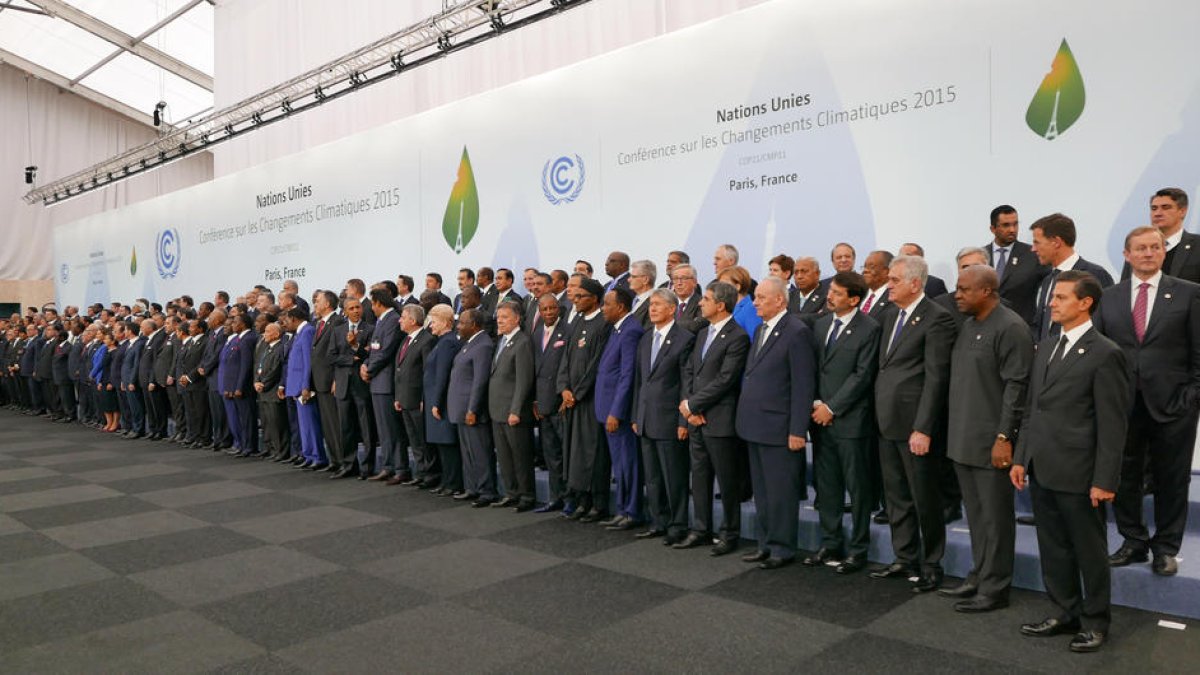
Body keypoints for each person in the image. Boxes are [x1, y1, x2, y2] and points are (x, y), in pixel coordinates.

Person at [1011, 270, 1129, 653]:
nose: (1052, 303)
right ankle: (1063, 612)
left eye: (1061, 297)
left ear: (1085, 303)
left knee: (1089, 552)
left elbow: (1113, 426)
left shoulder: (1106, 353)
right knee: (1053, 546)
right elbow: (1033, 409)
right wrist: (1020, 457)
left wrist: (1105, 479)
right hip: (1043, 467)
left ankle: (1095, 622)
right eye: (1053, 297)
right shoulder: (1045, 346)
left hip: (1081, 474)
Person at [1094, 226, 1200, 576]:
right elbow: (1100, 353)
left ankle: (1166, 547)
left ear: (1163, 253)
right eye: (1140, 248)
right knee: (1124, 475)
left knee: (1172, 479)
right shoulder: (1109, 296)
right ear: (1127, 255)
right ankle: (1133, 542)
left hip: (1174, 405)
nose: (1148, 253)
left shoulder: (1188, 294)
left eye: (1155, 247)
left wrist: (1190, 397)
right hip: (1123, 404)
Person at [941, 265, 1033, 612]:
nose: (957, 294)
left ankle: (995, 588)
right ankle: (979, 574)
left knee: (995, 518)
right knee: (977, 516)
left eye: (964, 289)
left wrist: (1004, 437)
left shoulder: (1011, 328)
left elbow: (1016, 389)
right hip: (963, 438)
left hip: (991, 441)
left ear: (987, 291)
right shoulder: (969, 325)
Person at [873, 255, 956, 593]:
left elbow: (936, 378)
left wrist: (923, 427)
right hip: (887, 421)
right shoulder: (889, 313)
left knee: (925, 498)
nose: (887, 285)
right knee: (896, 496)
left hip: (915, 426)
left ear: (914, 283)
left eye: (893, 280)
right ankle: (904, 557)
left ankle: (932, 563)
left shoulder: (938, 318)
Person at [736, 276, 816, 569]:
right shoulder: (760, 330)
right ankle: (765, 543)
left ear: (780, 300)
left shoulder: (796, 332)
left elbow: (803, 385)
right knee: (763, 492)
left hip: (780, 429)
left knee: (780, 492)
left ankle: (782, 548)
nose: (754, 302)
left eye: (760, 298)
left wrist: (798, 430)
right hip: (755, 425)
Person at [808, 271, 880, 574]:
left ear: (853, 299)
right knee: (827, 487)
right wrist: (816, 405)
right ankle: (831, 541)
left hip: (851, 421)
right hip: (819, 419)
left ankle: (859, 548)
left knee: (858, 488)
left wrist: (832, 407)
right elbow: (814, 368)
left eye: (837, 293)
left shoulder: (869, 328)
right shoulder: (821, 323)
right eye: (831, 291)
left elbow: (862, 375)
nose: (830, 296)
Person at [680, 281, 750, 554]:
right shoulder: (702, 333)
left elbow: (726, 379)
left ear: (720, 305)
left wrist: (694, 405)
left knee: (727, 480)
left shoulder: (738, 336)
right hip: (696, 416)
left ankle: (729, 533)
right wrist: (689, 406)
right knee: (699, 477)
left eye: (706, 299)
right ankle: (701, 529)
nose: (700, 302)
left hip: (719, 419)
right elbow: (690, 371)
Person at [633, 288, 695, 544]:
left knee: (674, 476)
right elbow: (640, 381)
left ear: (672, 309)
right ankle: (658, 521)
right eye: (651, 305)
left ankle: (678, 525)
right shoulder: (646, 337)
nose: (653, 308)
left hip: (670, 419)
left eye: (658, 304)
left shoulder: (685, 338)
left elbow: (686, 384)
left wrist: (683, 421)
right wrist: (636, 415)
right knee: (653, 476)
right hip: (646, 418)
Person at [557, 278, 612, 521]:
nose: (574, 300)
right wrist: (564, 389)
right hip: (571, 400)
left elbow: (595, 366)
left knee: (592, 453)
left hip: (589, 402)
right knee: (574, 454)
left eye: (580, 297)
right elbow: (565, 361)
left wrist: (577, 394)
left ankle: (597, 503)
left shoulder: (603, 324)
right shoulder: (577, 321)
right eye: (574, 296)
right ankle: (580, 499)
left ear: (594, 298)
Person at [594, 286, 645, 530]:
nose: (603, 308)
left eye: (607, 304)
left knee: (628, 463)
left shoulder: (631, 330)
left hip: (618, 413)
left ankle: (632, 511)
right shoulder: (617, 329)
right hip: (606, 408)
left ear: (621, 307)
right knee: (619, 463)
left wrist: (616, 411)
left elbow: (627, 375)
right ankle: (623, 509)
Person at [1029, 213, 1115, 341]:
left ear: (1056, 242)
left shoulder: (1095, 275)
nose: (1033, 249)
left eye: (1037, 243)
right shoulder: (1048, 280)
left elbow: (1107, 324)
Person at [488, 302, 537, 511]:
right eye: (498, 317)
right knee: (505, 457)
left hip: (513, 411)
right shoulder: (502, 340)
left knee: (520, 456)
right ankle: (511, 492)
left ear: (517, 319)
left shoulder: (522, 342)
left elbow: (524, 380)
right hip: (497, 409)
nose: (500, 320)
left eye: (505, 317)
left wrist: (516, 410)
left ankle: (526, 495)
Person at [446, 308, 496, 507]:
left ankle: (486, 491)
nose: (458, 326)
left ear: (474, 325)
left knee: (480, 451)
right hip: (460, 408)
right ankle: (472, 487)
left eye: (462, 322)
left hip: (472, 410)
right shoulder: (469, 343)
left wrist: (472, 409)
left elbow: (480, 381)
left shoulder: (483, 345)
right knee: (467, 452)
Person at [361, 288, 410, 482]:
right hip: (377, 381)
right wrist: (365, 365)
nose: (371, 308)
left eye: (372, 304)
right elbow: (374, 348)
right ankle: (388, 466)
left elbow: (386, 350)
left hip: (386, 381)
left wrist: (369, 368)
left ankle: (400, 468)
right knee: (383, 429)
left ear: (379, 303)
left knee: (393, 429)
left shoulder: (392, 320)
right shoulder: (382, 321)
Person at [531, 294, 570, 512]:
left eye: (552, 308)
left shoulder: (568, 330)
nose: (548, 313)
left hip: (561, 403)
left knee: (566, 454)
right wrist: (535, 399)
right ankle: (555, 498)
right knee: (551, 455)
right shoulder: (536, 333)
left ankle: (571, 498)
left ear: (559, 308)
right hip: (543, 404)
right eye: (544, 309)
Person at [330, 298, 376, 478]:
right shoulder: (337, 331)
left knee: (366, 428)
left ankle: (368, 467)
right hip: (342, 385)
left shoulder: (371, 329)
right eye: (352, 308)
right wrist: (351, 359)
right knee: (346, 428)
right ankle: (349, 465)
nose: (356, 310)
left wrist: (355, 346)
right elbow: (331, 356)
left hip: (362, 385)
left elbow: (370, 354)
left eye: (358, 307)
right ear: (345, 311)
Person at [392, 304, 437, 486]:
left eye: (403, 317)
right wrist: (397, 397)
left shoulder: (427, 340)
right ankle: (420, 472)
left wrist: (423, 399)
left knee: (423, 439)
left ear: (413, 320)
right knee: (414, 439)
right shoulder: (405, 340)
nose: (400, 320)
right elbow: (400, 370)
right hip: (404, 398)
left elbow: (427, 373)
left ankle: (431, 474)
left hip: (418, 399)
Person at [983, 205, 1050, 325]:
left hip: (1022, 327)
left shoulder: (1033, 255)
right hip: (987, 326)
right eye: (1006, 225)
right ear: (992, 229)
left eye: (1015, 224)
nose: (1012, 230)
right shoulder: (981, 256)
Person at [423, 304, 464, 496]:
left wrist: (436, 403)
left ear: (446, 322)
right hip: (435, 399)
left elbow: (442, 375)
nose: (430, 325)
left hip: (442, 402)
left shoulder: (447, 343)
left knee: (447, 443)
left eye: (434, 321)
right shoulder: (441, 341)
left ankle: (453, 482)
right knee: (440, 443)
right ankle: (447, 480)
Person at [1120, 188, 1200, 283]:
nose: (1157, 213)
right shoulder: (1137, 247)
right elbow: (1125, 287)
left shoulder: (1197, 245)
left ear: (1182, 211)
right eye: (1154, 208)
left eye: (1166, 207)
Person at [283, 307, 325, 469]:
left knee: (310, 425)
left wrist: (306, 385)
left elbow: (308, 361)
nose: (285, 323)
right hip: (296, 386)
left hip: (303, 387)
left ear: (294, 318)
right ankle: (308, 454)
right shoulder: (299, 333)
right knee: (303, 425)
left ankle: (318, 456)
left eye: (286, 320)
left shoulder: (307, 331)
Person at [310, 290, 346, 471]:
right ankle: (334, 460)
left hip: (331, 381)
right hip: (319, 381)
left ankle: (342, 461)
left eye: (318, 301)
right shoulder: (319, 323)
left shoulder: (338, 321)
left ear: (328, 304)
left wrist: (335, 379)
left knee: (335, 423)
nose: (315, 304)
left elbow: (338, 352)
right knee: (327, 424)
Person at [255, 321, 289, 461]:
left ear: (276, 334)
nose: (264, 334)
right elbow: (259, 366)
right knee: (267, 423)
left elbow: (276, 370)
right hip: (263, 392)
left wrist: (263, 383)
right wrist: (257, 381)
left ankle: (281, 451)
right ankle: (270, 448)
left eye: (268, 332)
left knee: (277, 424)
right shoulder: (267, 348)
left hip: (272, 391)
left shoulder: (280, 347)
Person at [720, 265, 760, 337]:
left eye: (724, 284)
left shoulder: (751, 309)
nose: (719, 288)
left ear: (737, 287)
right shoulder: (727, 308)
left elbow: (754, 339)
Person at [92, 329, 120, 431]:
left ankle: (115, 423)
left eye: (107, 339)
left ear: (112, 341)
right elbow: (103, 367)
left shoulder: (115, 352)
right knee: (105, 403)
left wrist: (111, 382)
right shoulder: (106, 352)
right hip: (103, 379)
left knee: (113, 403)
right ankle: (109, 422)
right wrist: (99, 381)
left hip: (110, 380)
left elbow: (114, 369)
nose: (104, 340)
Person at [669, 264, 704, 332]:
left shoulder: (702, 303)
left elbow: (696, 325)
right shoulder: (667, 303)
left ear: (694, 282)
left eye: (684, 278)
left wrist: (668, 325)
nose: (679, 283)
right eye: (676, 278)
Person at [627, 260, 657, 330]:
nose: (628, 280)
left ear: (645, 280)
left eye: (633, 276)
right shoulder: (631, 300)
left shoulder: (654, 302)